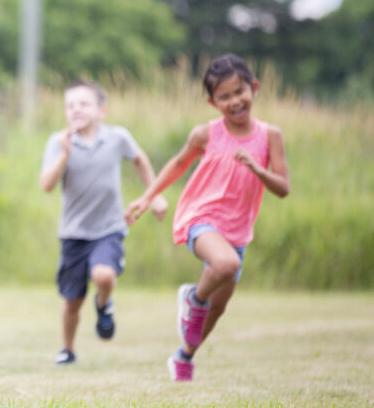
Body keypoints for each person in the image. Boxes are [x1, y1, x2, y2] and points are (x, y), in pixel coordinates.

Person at [125, 54, 289, 382]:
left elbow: (283, 188)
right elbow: (178, 163)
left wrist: (258, 168)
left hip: (238, 230)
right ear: (212, 102)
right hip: (202, 218)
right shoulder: (206, 134)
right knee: (225, 266)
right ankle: (193, 297)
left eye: (239, 91)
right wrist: (147, 197)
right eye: (224, 97)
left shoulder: (270, 136)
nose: (234, 101)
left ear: (254, 88)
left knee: (218, 307)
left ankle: (184, 355)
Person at [40, 79, 168, 366]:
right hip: (73, 233)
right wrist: (65, 153)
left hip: (108, 227)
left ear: (102, 110)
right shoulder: (58, 142)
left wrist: (153, 196)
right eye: (70, 105)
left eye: (83, 104)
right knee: (72, 300)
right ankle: (68, 349)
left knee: (104, 276)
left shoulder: (117, 138)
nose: (76, 110)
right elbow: (47, 185)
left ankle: (103, 303)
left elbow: (140, 161)